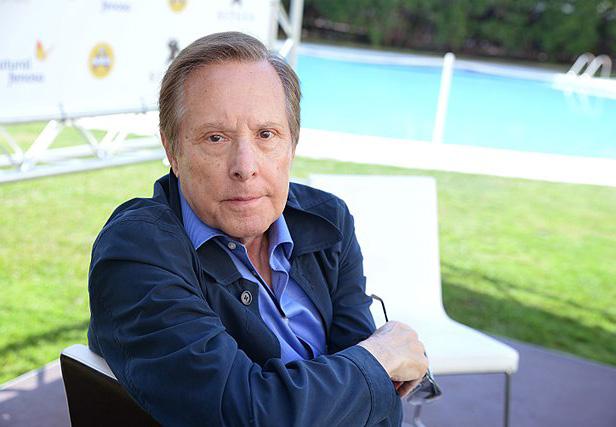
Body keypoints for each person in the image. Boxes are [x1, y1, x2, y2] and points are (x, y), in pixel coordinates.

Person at [87, 31, 428, 426]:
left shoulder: (328, 221)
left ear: (292, 145)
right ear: (173, 151)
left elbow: (381, 406)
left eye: (266, 134)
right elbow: (247, 415)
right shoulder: (136, 252)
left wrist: (365, 377)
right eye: (216, 138)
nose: (245, 167)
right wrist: (380, 355)